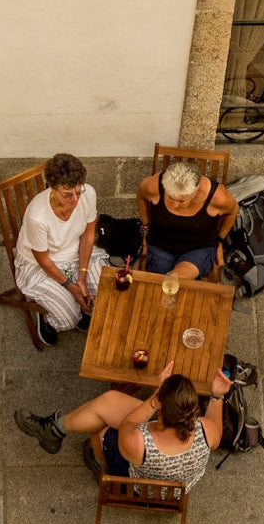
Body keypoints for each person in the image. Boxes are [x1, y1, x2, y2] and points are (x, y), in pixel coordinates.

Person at [14, 361, 228, 492]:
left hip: (138, 486)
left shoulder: (137, 441)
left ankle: (96, 461)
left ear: (160, 407)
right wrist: (217, 394)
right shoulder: (207, 430)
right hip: (179, 487)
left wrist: (155, 394)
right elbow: (216, 426)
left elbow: (129, 423)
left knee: (101, 428)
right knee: (109, 401)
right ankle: (55, 429)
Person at [14, 153, 109, 348]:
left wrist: (81, 276)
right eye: (67, 194)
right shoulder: (37, 217)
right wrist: (72, 287)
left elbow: (88, 234)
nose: (75, 199)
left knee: (105, 297)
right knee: (69, 321)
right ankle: (46, 317)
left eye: (77, 191)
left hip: (74, 252)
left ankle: (73, 301)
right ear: (51, 186)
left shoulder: (88, 193)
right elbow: (43, 260)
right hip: (42, 265)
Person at [136, 162, 237, 280]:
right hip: (160, 244)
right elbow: (141, 195)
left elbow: (233, 211)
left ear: (196, 191)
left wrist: (220, 240)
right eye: (170, 197)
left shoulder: (218, 197)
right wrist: (145, 226)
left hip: (198, 247)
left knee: (176, 278)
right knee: (159, 280)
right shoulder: (153, 185)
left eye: (181, 200)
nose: (175, 205)